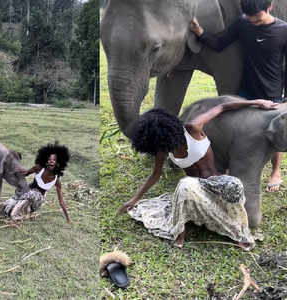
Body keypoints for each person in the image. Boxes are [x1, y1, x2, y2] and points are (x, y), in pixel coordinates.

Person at [118, 98, 278, 250]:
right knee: (185, 184)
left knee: (234, 183)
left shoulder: (193, 128)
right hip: (195, 192)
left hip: (217, 185)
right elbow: (155, 174)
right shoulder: (163, 147)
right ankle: (179, 232)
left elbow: (222, 107)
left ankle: (238, 233)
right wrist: (134, 199)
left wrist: (256, 102)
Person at [190, 0, 287, 191]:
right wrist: (199, 31)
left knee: (276, 132)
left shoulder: (284, 30)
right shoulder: (243, 23)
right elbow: (219, 43)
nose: (254, 22)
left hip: (273, 91)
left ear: (270, 7)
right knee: (243, 128)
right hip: (246, 89)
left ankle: (276, 171)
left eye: (257, 18)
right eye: (250, 19)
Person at [4, 142, 71, 223]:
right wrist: (13, 170)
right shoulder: (38, 168)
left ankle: (24, 211)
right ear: (46, 161)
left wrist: (68, 218)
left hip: (37, 199)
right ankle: (19, 208)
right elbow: (25, 173)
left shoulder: (56, 180)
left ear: (58, 163)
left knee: (32, 194)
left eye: (54, 160)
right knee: (8, 207)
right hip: (26, 192)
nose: (51, 161)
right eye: (49, 159)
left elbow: (61, 201)